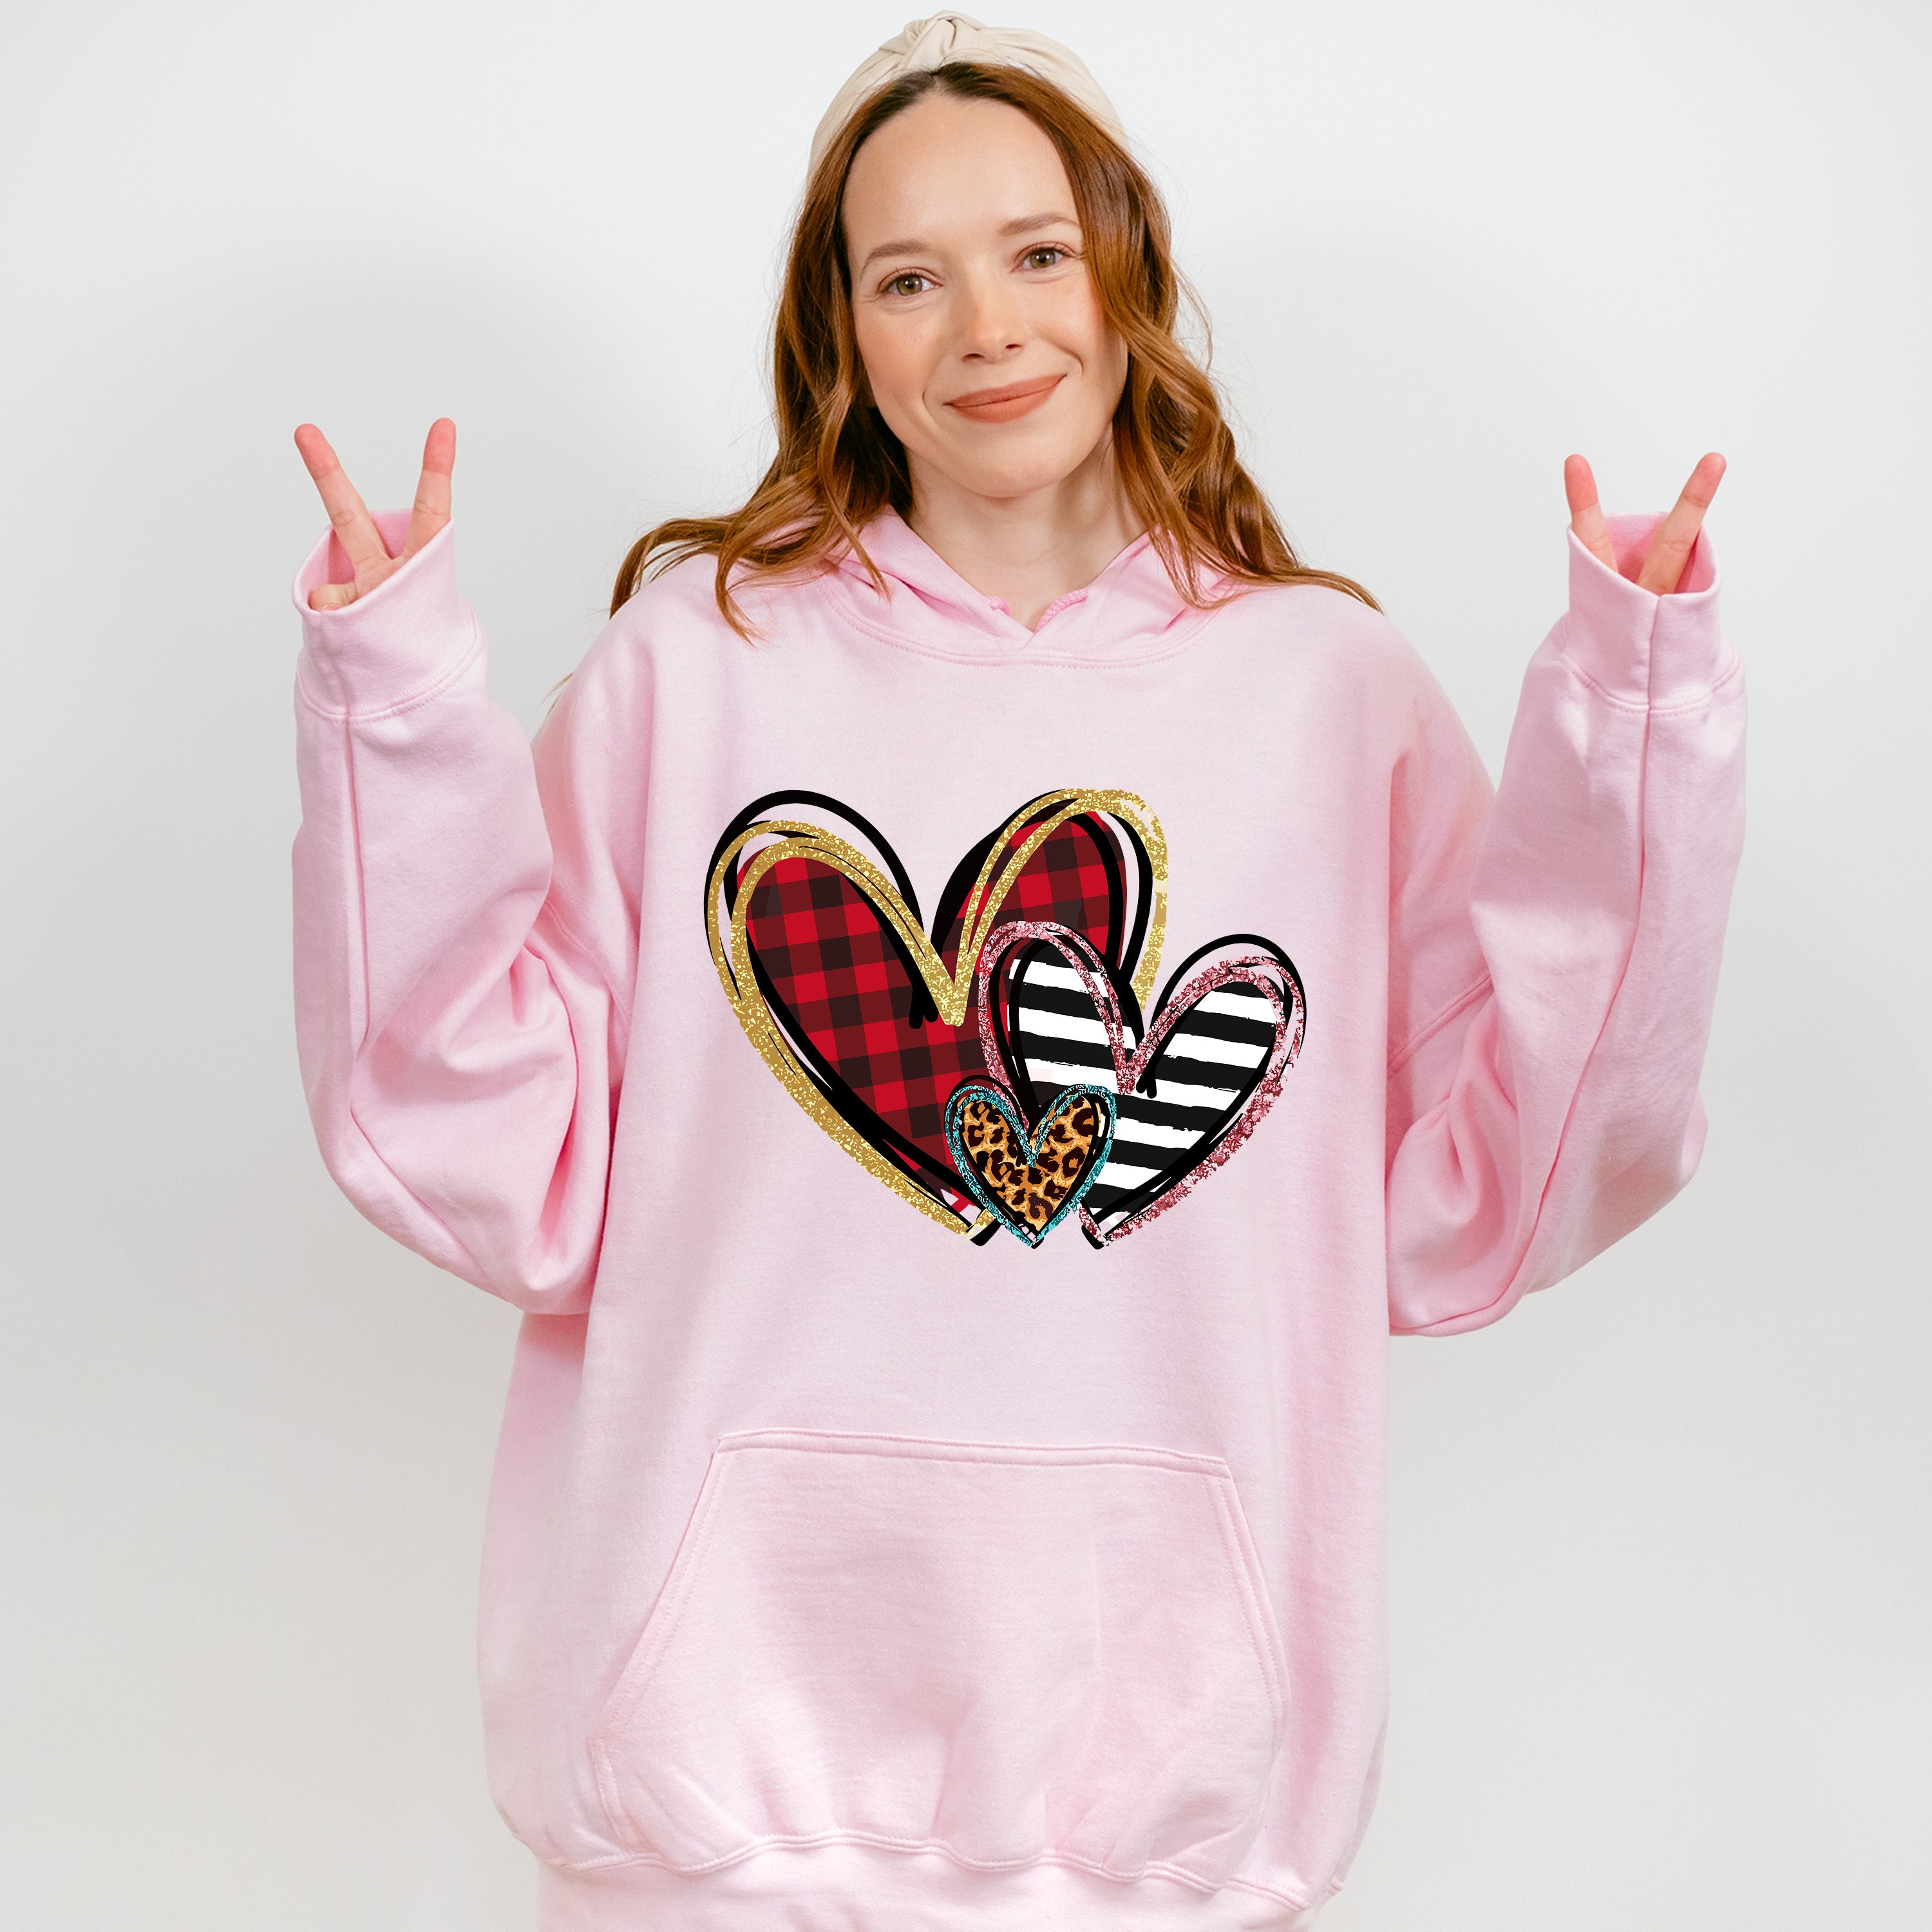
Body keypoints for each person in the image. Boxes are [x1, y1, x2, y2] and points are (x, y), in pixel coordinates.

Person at [287, 14, 1743, 1928]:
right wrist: (394, 704)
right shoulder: (692, 671)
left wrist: (1636, 713)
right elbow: (486, 1152)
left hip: (1166, 1829)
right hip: (711, 1819)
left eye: (1038, 252)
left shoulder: (1328, 695)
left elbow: (1516, 1180)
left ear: (1125, 275)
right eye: (911, 277)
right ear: (843, 334)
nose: (987, 327)